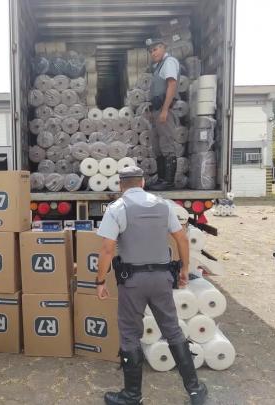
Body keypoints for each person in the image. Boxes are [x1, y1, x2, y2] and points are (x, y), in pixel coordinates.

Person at [95, 166, 207, 405]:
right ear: (143, 183)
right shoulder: (164, 205)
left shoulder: (117, 208)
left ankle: (132, 396)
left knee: (129, 334)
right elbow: (181, 238)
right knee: (173, 330)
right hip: (162, 278)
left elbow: (107, 250)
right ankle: (195, 391)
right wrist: (184, 268)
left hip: (132, 282)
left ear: (121, 185)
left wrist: (100, 280)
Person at [146, 38, 181, 191]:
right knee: (157, 146)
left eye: (155, 49)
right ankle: (161, 179)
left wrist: (165, 110)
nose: (153, 53)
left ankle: (168, 182)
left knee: (166, 144)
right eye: (151, 51)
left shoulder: (169, 62)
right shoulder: (158, 66)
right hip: (157, 109)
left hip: (164, 109)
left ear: (163, 48)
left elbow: (172, 84)